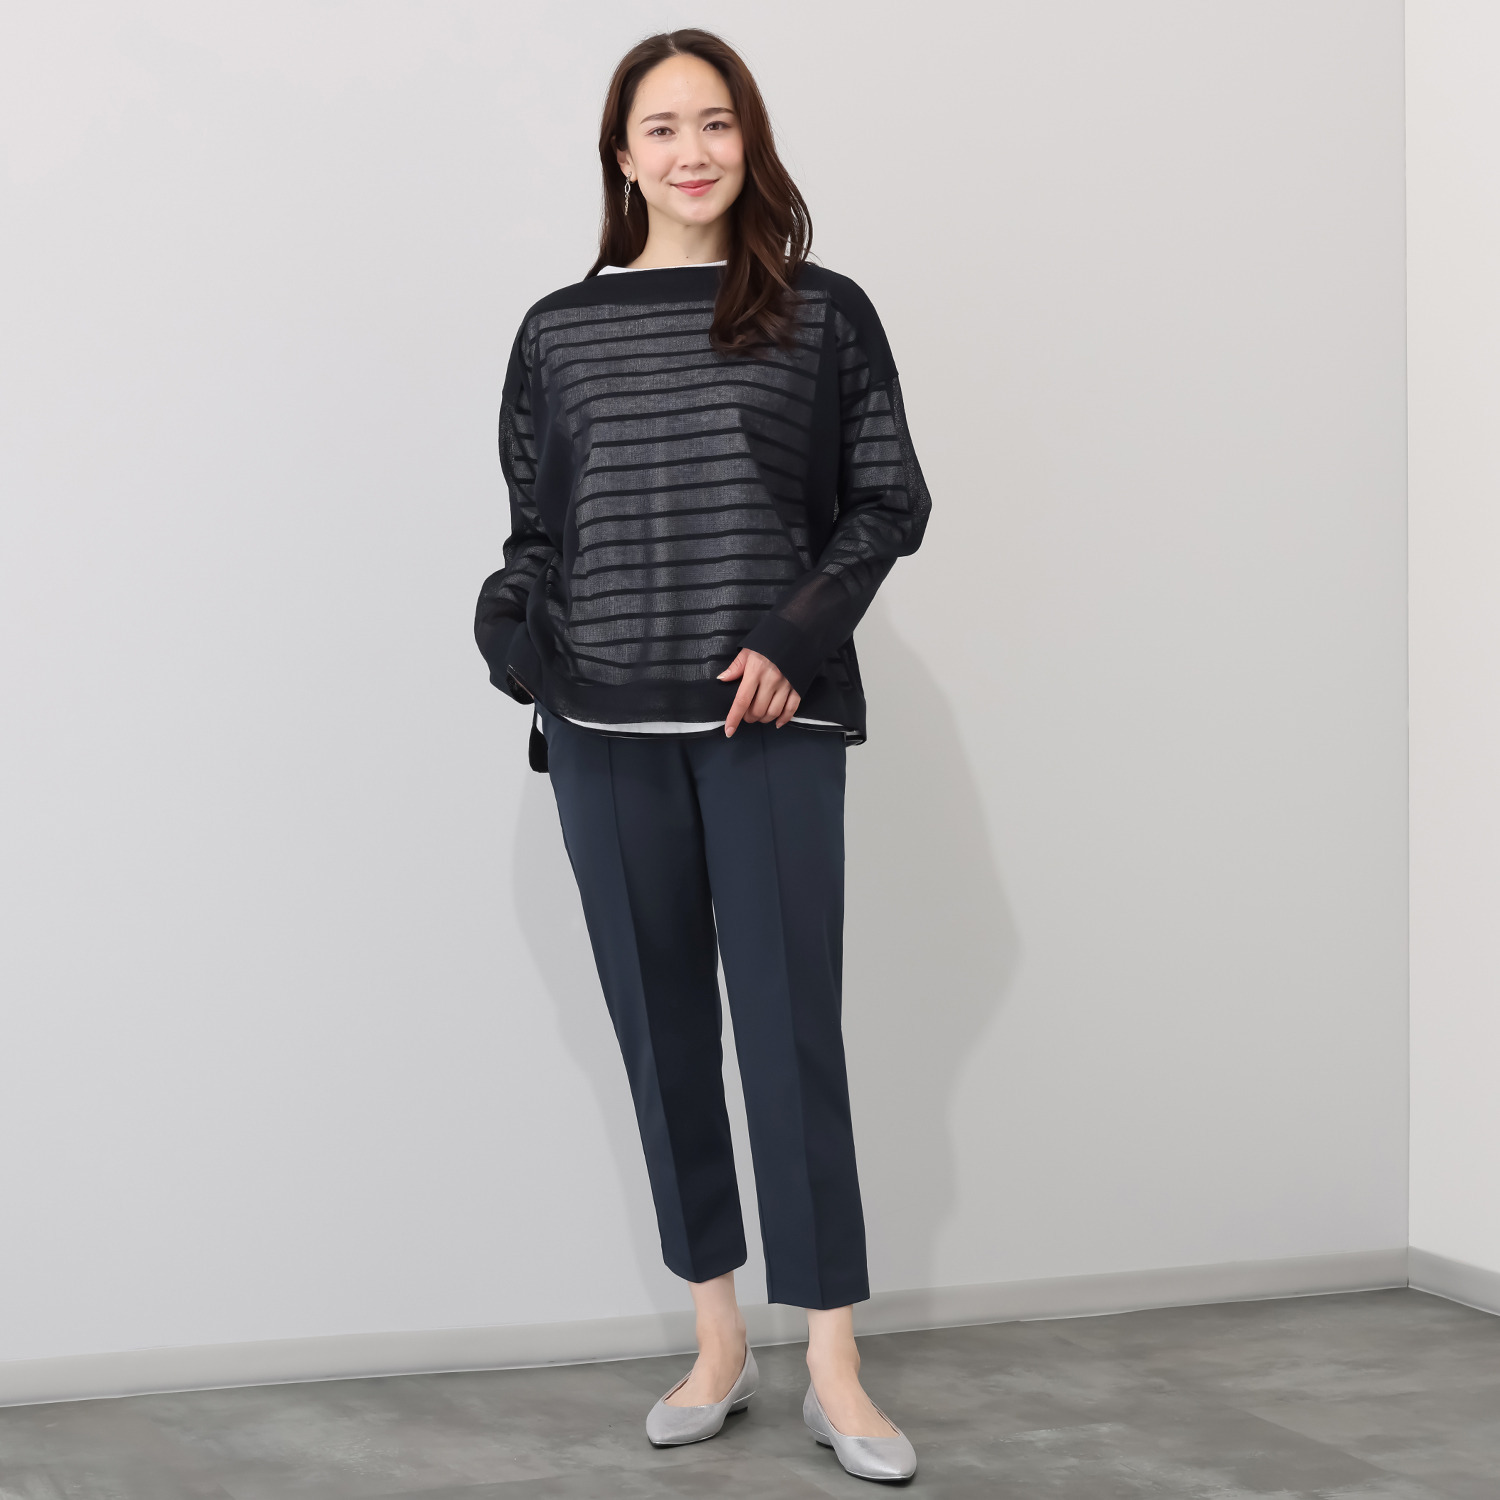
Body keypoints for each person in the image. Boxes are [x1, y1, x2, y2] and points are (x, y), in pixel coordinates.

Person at [474, 28, 931, 1484]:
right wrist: (516, 641)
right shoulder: (559, 330)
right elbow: (537, 530)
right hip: (604, 734)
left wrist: (795, 636)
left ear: (751, 140)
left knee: (791, 1037)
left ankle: (835, 1364)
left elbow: (887, 499)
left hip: (770, 726)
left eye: (716, 122)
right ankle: (718, 1340)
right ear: (622, 155)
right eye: (662, 127)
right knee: (661, 1038)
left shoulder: (823, 312)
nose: (691, 150)